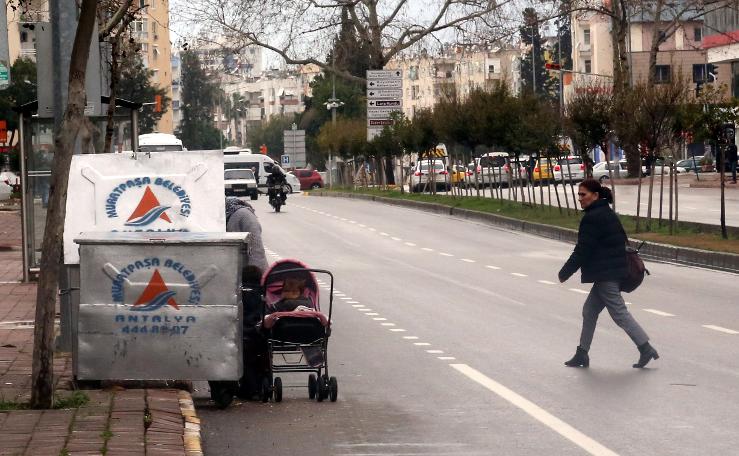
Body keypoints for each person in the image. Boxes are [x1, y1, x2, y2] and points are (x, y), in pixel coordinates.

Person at [558, 179, 659, 369]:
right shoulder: (607, 212)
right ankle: (582, 353)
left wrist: (565, 272)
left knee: (619, 313)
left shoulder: (593, 217)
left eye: (583, 194)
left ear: (595, 195)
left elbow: (583, 249)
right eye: (578, 195)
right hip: (612, 270)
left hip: (607, 274)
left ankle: (646, 348)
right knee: (589, 311)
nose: (580, 199)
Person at [226, 197, 268, 274]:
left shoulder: (244, 216)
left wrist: (256, 281)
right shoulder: (224, 217)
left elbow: (257, 252)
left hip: (250, 277)